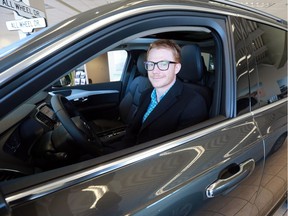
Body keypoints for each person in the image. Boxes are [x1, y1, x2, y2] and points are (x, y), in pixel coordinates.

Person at [105, 39, 208, 151]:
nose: (155, 71)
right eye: (151, 64)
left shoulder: (193, 104)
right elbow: (133, 130)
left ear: (176, 68)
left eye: (163, 64)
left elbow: (179, 153)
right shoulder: (146, 94)